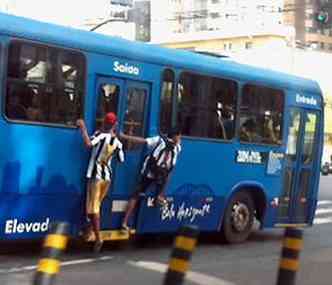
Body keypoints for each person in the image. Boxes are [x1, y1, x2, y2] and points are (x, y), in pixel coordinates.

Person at [77, 112, 124, 252]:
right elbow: (121, 160)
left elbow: (88, 144)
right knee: (95, 206)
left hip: (95, 176)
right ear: (115, 125)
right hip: (107, 178)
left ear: (104, 122)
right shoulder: (117, 143)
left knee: (94, 208)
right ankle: (88, 231)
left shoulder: (100, 136)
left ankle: (98, 238)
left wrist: (83, 128)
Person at [120, 127, 182, 231]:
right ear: (175, 136)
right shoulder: (178, 148)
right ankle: (160, 196)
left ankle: (124, 222)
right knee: (168, 175)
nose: (180, 138)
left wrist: (124, 136)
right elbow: (171, 168)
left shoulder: (159, 140)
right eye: (179, 136)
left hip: (149, 174)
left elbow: (142, 141)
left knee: (135, 195)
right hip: (162, 176)